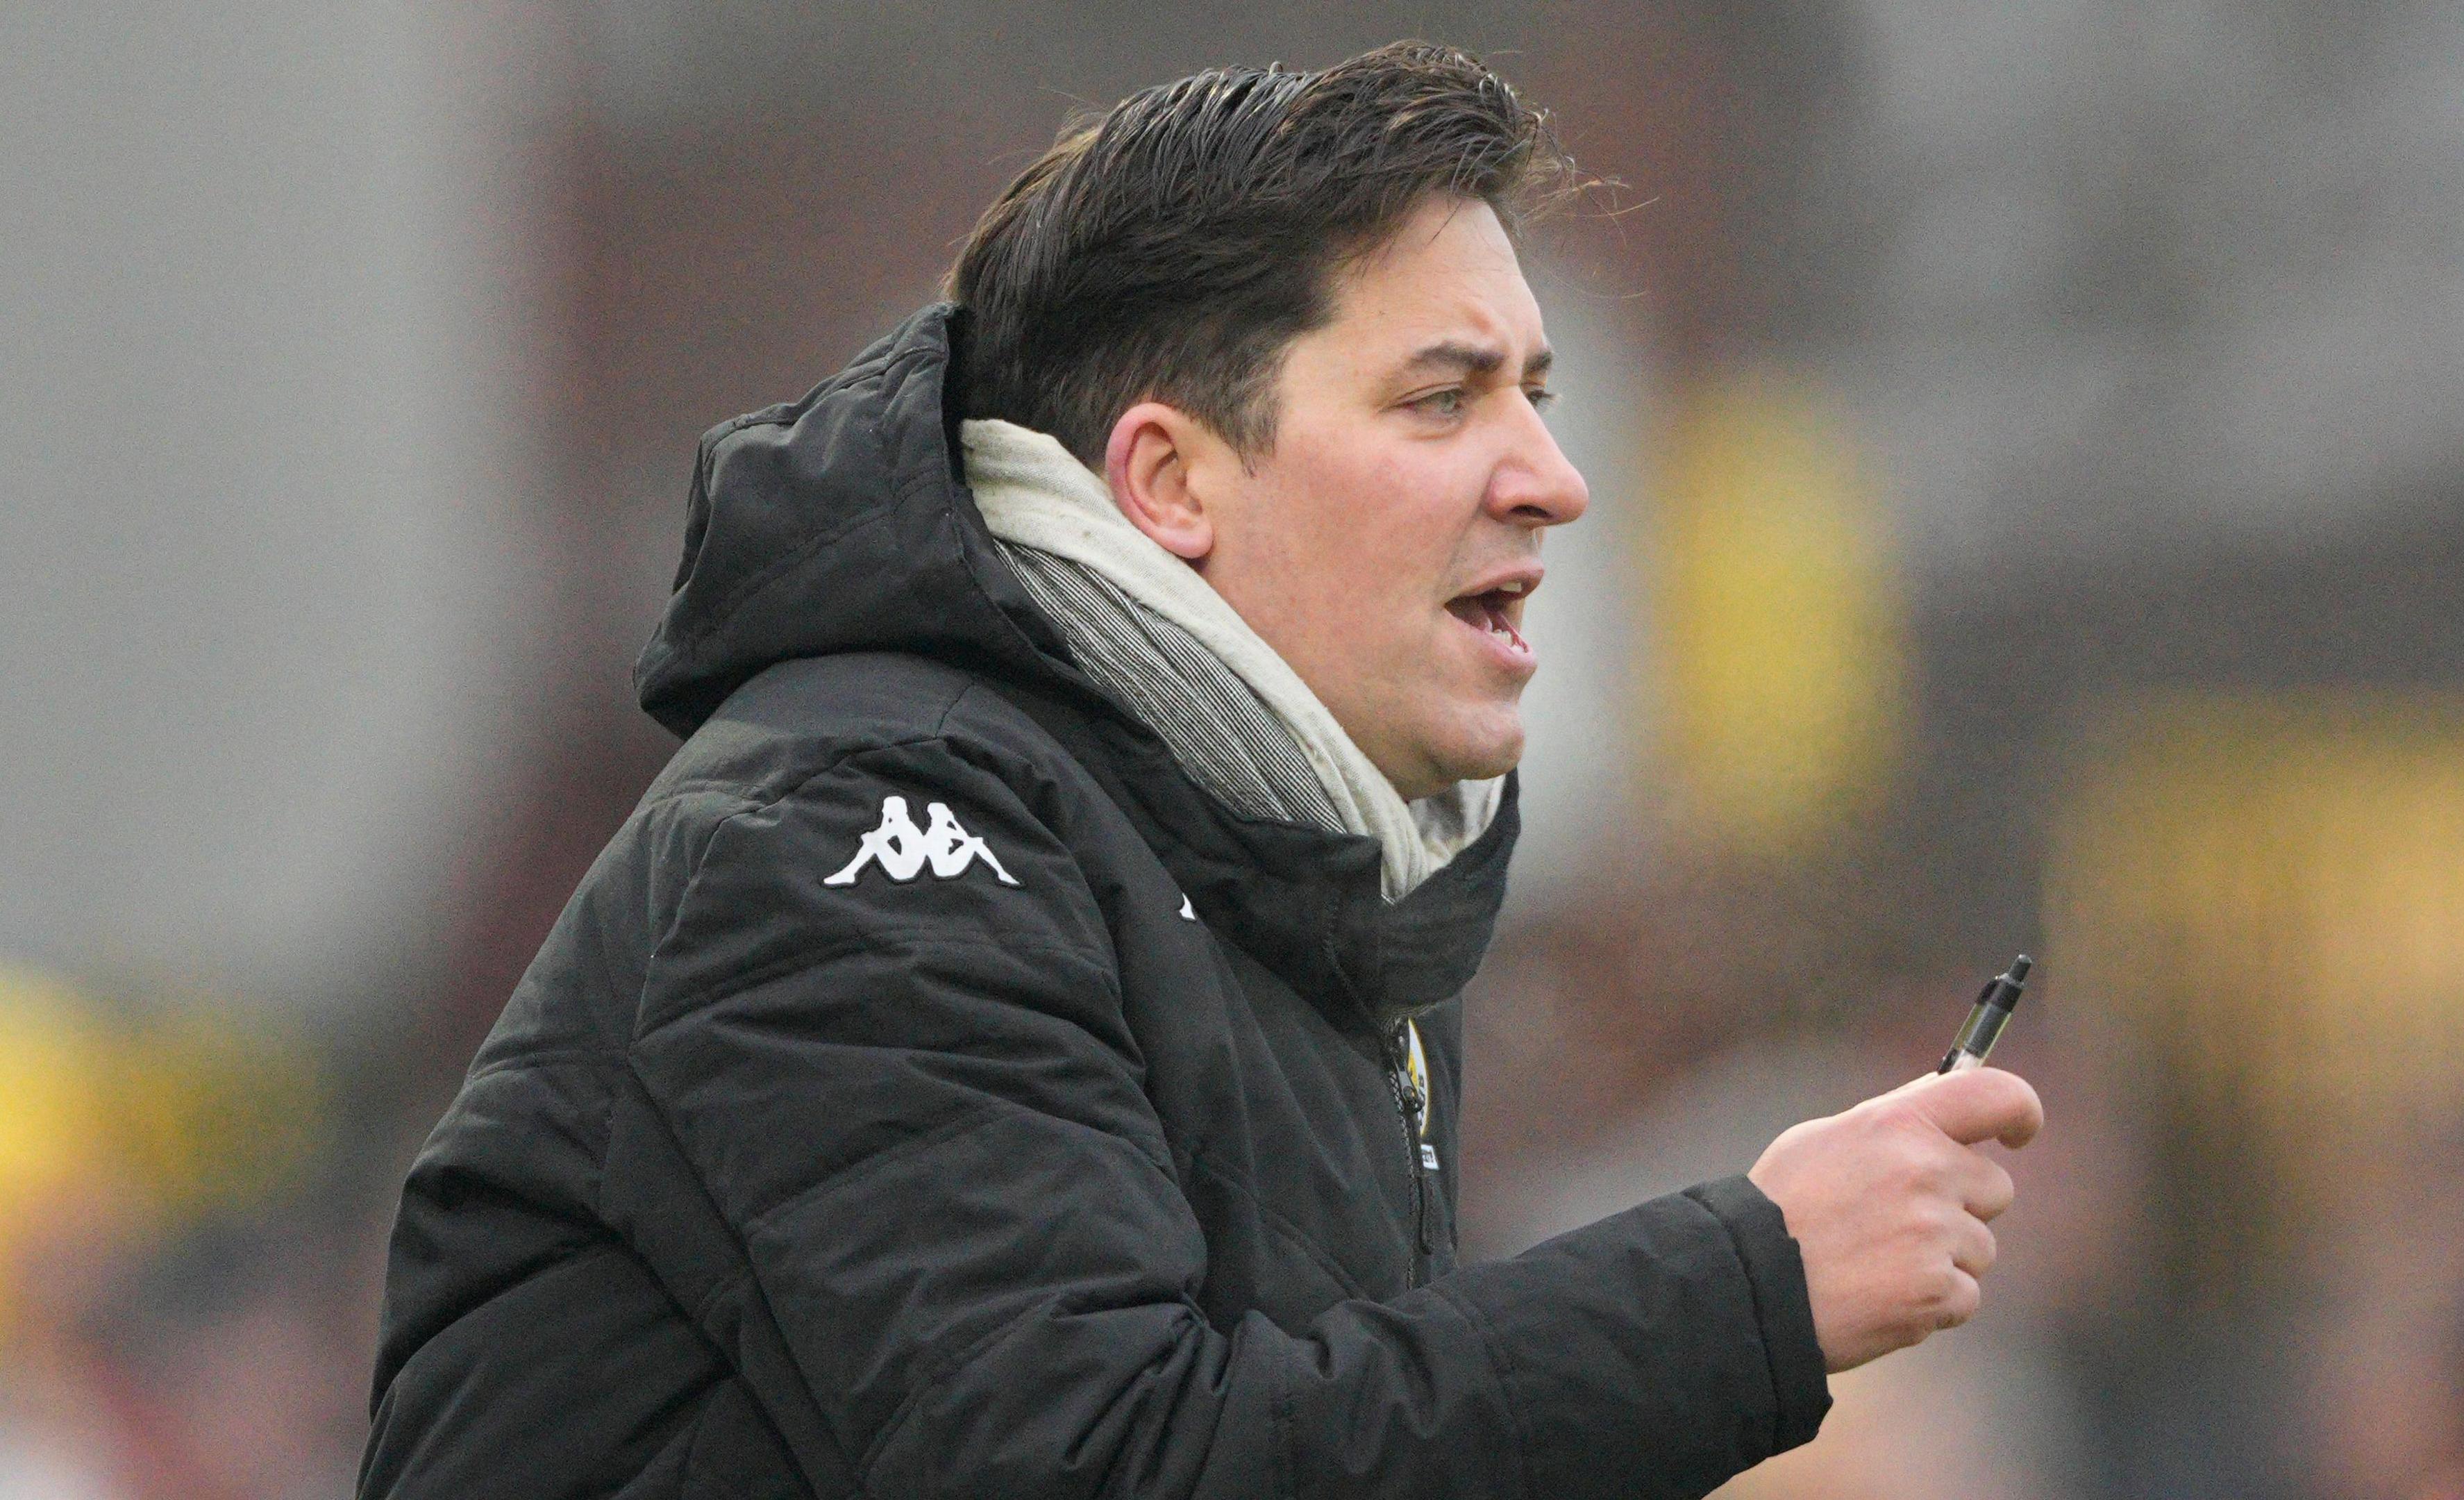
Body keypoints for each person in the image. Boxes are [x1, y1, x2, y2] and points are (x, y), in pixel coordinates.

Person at [360, 42, 2042, 1499]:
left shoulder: (1286, 881)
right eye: (1443, 401)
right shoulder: (858, 841)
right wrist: (1750, 1288)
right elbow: (1108, 1466)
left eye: (1537, 394)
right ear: (1167, 480)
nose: (1551, 478)